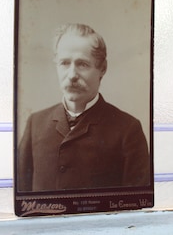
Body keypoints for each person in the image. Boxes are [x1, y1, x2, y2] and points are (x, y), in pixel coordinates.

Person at [17, 23, 150, 192]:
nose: (72, 75)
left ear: (102, 68)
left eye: (82, 64)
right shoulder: (35, 124)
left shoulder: (128, 130)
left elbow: (135, 205)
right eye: (64, 63)